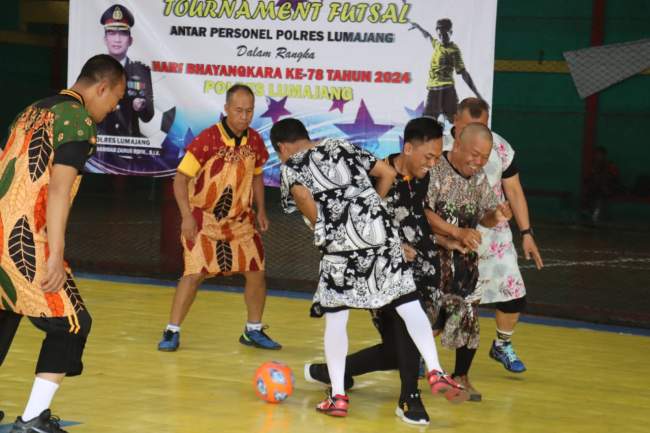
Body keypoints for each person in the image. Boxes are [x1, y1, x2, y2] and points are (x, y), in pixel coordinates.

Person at [271, 118, 468, 418]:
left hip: (339, 250)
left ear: (282, 147)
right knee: (408, 302)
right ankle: (436, 370)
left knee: (336, 320)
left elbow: (301, 195)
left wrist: (323, 227)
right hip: (379, 236)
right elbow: (387, 172)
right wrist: (369, 211)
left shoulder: (291, 166)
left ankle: (338, 397)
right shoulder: (339, 145)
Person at [0, 54, 125, 433]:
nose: (113, 109)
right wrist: (55, 254)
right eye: (115, 99)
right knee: (72, 322)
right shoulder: (77, 119)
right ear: (101, 88)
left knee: (5, 312)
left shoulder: (32, 110)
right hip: (24, 239)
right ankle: (33, 419)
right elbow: (57, 190)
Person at [157, 84, 281, 352]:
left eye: (249, 111)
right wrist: (186, 217)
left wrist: (261, 209)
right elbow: (180, 180)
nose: (244, 116)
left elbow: (257, 175)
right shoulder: (207, 139)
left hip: (241, 221)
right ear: (226, 109)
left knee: (256, 272)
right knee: (194, 274)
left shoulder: (255, 141)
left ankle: (253, 330)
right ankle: (171, 330)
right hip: (204, 220)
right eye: (238, 110)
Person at [444, 98, 544, 374]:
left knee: (514, 296)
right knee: (441, 303)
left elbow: (514, 190)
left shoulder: (500, 148)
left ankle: (502, 344)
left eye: (483, 126)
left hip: (493, 233)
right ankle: (418, 351)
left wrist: (526, 232)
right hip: (451, 233)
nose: (476, 132)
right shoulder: (440, 146)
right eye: (469, 126)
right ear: (455, 120)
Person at [425, 123, 513, 401]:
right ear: (457, 145)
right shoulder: (435, 170)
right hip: (431, 261)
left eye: (484, 157)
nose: (479, 162)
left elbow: (485, 216)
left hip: (465, 263)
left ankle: (461, 376)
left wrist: (496, 215)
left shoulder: (478, 178)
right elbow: (423, 213)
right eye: (475, 154)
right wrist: (456, 232)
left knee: (469, 319)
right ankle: (412, 368)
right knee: (428, 321)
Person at [408, 18, 482, 124]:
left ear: (450, 32)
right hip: (433, 91)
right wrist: (418, 27)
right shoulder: (437, 45)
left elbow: (463, 73)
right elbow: (428, 36)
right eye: (440, 34)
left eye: (444, 34)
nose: (442, 37)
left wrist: (477, 94)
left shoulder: (453, 50)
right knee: (427, 122)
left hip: (447, 91)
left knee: (455, 121)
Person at [97, 4, 153, 137]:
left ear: (130, 40)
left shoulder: (141, 71)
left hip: (130, 142)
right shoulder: (94, 70)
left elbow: (148, 116)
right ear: (105, 39)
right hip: (101, 143)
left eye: (123, 33)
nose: (117, 39)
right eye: (112, 33)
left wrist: (141, 107)